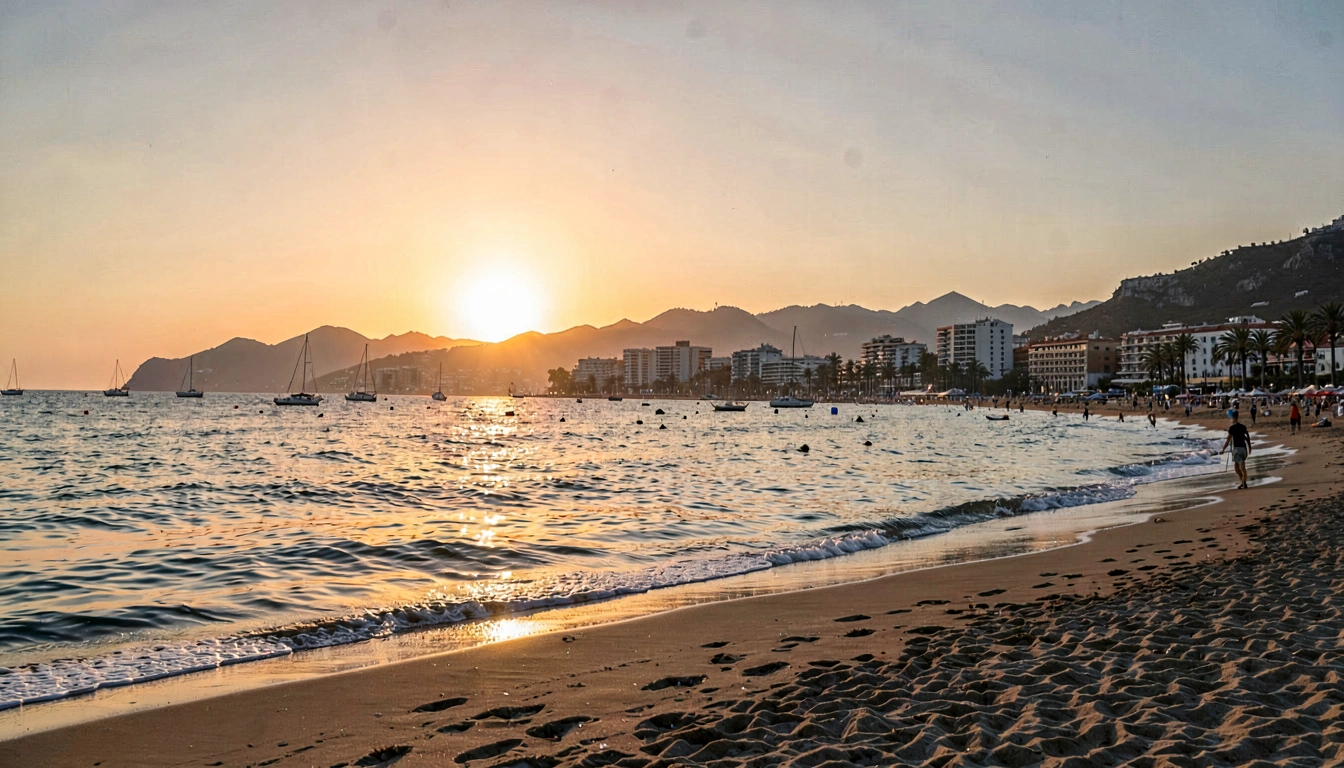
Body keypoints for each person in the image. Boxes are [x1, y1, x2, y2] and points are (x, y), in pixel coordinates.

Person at [1220, 411, 1252, 490]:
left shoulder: (1232, 428)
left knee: (1237, 469)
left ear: (1233, 418)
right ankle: (1243, 482)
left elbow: (1228, 440)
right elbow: (1247, 437)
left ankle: (1243, 482)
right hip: (1243, 448)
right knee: (1243, 467)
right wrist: (1249, 447)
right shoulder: (1242, 427)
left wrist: (1223, 449)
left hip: (1237, 449)